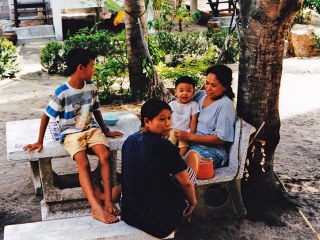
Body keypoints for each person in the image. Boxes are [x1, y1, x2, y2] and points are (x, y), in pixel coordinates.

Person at [23, 48, 123, 224]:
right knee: (82, 162)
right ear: (80, 68)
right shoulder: (62, 91)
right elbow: (47, 115)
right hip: (71, 134)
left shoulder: (91, 87)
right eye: (92, 66)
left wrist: (105, 130)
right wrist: (39, 141)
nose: (94, 70)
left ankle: (107, 201)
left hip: (91, 130)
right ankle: (96, 208)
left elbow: (96, 110)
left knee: (105, 155)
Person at [120, 99, 198, 238]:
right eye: (162, 119)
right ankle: (181, 228)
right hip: (159, 223)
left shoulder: (129, 141)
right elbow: (186, 183)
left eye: (169, 118)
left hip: (129, 214)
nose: (167, 123)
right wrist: (193, 202)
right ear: (147, 121)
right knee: (192, 158)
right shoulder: (164, 145)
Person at [174, 64, 236, 169]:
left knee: (182, 166)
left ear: (225, 87)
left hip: (212, 150)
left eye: (213, 85)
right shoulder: (201, 95)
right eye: (207, 83)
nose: (208, 88)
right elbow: (183, 106)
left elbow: (221, 139)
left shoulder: (225, 104)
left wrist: (190, 136)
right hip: (188, 143)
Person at [168, 76, 199, 156]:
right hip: (172, 130)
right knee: (169, 143)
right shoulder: (172, 104)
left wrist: (191, 133)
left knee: (184, 147)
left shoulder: (193, 105)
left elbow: (194, 120)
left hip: (185, 132)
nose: (184, 93)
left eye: (188, 91)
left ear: (193, 92)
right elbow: (167, 118)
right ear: (175, 92)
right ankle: (169, 157)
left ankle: (179, 158)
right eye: (181, 91)